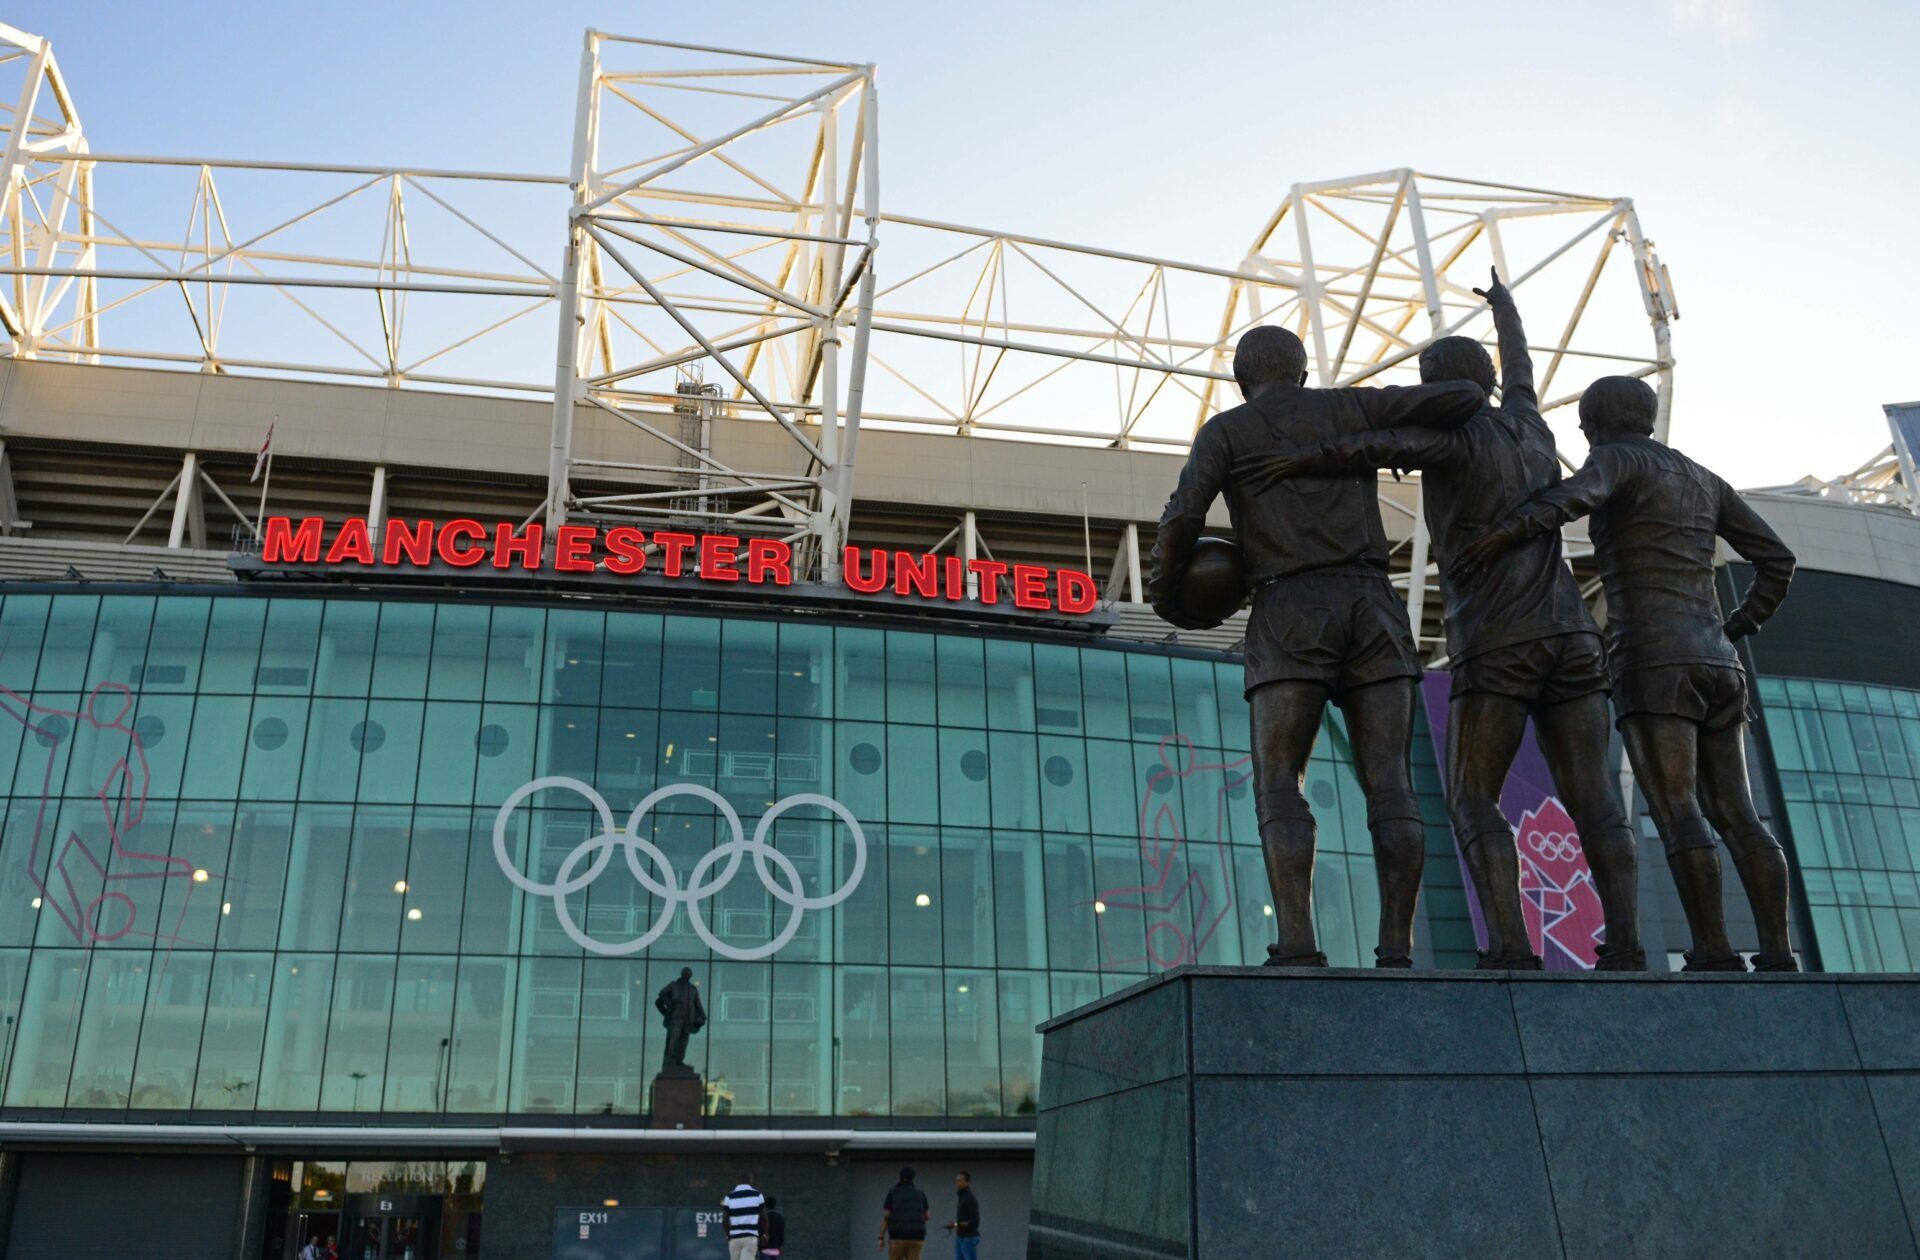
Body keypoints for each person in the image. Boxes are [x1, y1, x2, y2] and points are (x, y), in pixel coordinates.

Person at [1231, 270, 1642, 969]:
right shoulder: (1531, 422)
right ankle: (1627, 943)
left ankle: (1510, 947)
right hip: (1575, 636)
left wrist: (1298, 457)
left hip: (1498, 640)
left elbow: (1367, 448)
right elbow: (1521, 368)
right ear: (1489, 380)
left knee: (1474, 798)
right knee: (1596, 796)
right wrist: (1506, 311)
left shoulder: (1449, 442)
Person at [1148, 324, 1483, 966]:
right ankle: (1397, 949)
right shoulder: (1347, 405)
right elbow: (1466, 395)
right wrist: (1355, 444)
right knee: (1392, 784)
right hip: (1372, 604)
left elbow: (1183, 516)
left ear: (1241, 381)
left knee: (1280, 783)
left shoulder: (1227, 431)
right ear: (1303, 373)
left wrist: (1167, 599)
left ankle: (1298, 942)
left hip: (1290, 607)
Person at [1455, 373, 1797, 971]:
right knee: (1739, 814)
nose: (1583, 434)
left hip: (1655, 661)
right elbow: (1778, 559)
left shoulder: (1617, 459)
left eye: (1584, 424)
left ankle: (1714, 948)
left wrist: (1502, 532)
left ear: (1596, 423)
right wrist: (1739, 624)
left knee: (1679, 810)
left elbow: (1570, 499)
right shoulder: (1702, 477)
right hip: (1719, 661)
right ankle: (1776, 950)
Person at [879, 1165, 931, 1258]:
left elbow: (886, 1216)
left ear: (900, 1177)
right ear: (913, 1178)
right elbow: (927, 1216)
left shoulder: (892, 1193)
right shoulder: (920, 1194)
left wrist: (881, 1237)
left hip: (897, 1236)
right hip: (917, 1237)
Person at [722, 1174, 765, 1260]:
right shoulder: (757, 1195)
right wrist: (765, 1235)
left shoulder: (729, 1196)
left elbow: (724, 1219)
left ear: (738, 1181)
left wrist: (729, 1235)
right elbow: (764, 1218)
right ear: (750, 1180)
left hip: (734, 1238)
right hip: (750, 1236)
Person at [943, 1171, 981, 1259]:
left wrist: (955, 1224)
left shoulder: (970, 1198)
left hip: (969, 1238)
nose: (957, 1183)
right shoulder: (962, 1197)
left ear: (967, 1182)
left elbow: (974, 1222)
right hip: (960, 1236)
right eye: (956, 1180)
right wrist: (955, 1225)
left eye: (960, 1181)